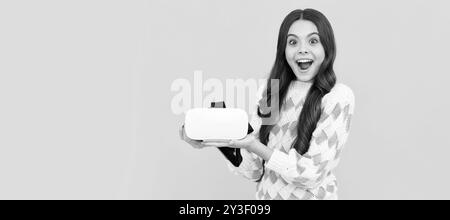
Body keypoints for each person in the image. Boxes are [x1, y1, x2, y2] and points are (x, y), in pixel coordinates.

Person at [180, 8, 355, 200]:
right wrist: (220, 140)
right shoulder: (271, 91)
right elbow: (253, 169)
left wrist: (255, 146)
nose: (302, 49)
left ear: (327, 48)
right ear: (284, 49)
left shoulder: (337, 97)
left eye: (313, 41)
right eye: (293, 42)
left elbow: (311, 174)